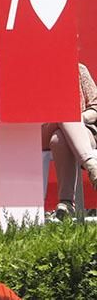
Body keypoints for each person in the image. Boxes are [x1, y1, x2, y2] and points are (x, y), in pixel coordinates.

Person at [43, 63, 97, 221]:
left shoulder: (79, 69)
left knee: (59, 139)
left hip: (80, 131)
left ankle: (66, 205)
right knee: (64, 111)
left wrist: (79, 118)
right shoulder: (36, 68)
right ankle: (92, 166)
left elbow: (95, 107)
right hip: (43, 129)